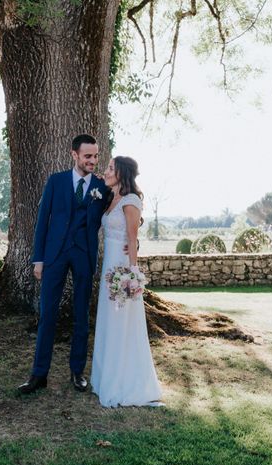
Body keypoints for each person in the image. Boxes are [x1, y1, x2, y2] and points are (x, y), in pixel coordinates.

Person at [18, 134, 109, 394]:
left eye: (95, 156)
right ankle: (39, 374)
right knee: (47, 314)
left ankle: (77, 372)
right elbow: (42, 221)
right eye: (87, 156)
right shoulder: (56, 182)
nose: (92, 161)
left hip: (84, 255)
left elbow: (119, 209)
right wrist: (39, 259)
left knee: (81, 315)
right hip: (54, 255)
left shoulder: (101, 188)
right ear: (74, 155)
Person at [90, 156, 163, 407]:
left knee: (122, 323)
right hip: (108, 266)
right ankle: (104, 378)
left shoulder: (131, 201)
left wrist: (132, 276)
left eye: (110, 168)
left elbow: (132, 240)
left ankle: (125, 382)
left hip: (121, 269)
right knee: (109, 321)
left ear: (121, 173)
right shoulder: (112, 198)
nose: (106, 171)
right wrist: (100, 179)